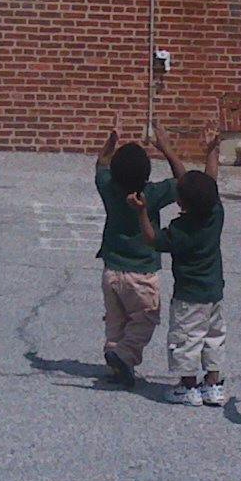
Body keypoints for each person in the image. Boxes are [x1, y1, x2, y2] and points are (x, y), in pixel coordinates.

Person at [129, 123, 227, 406]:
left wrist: (142, 212)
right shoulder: (215, 214)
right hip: (214, 294)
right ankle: (213, 385)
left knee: (187, 339)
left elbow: (151, 239)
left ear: (181, 204)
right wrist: (211, 150)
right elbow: (208, 181)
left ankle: (188, 387)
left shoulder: (180, 230)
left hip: (188, 297)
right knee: (213, 337)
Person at [95, 116, 186, 387]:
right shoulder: (152, 194)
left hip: (111, 269)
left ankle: (115, 359)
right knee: (145, 319)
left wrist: (112, 140)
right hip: (143, 272)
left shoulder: (109, 187)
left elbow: (101, 164)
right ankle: (124, 355)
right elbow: (184, 182)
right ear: (146, 175)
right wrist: (166, 148)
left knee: (115, 321)